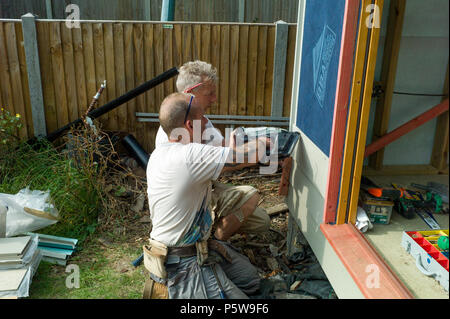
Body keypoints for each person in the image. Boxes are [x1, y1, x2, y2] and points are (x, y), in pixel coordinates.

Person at [146, 93, 268, 298]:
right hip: (181, 265)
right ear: (189, 126)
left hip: (196, 248)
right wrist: (267, 141)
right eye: (202, 118)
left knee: (250, 280)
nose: (206, 122)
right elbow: (247, 156)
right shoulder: (189, 156)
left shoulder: (163, 151)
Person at [155, 60, 270, 241]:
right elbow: (230, 159)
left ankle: (213, 228)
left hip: (205, 188)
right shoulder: (172, 134)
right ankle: (215, 241)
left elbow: (223, 147)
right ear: (190, 93)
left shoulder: (201, 120)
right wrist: (263, 146)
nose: (214, 99)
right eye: (210, 94)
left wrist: (235, 145)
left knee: (261, 222)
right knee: (251, 195)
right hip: (189, 200)